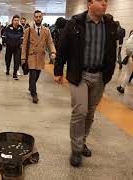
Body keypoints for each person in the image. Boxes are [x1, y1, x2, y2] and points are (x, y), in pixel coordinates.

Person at [54, 0, 117, 167]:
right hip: (79, 75)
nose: (105, 4)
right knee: (80, 112)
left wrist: (109, 73)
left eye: (106, 1)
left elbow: (112, 49)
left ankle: (82, 142)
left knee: (90, 113)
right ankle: (76, 149)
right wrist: (58, 71)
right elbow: (63, 47)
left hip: (100, 76)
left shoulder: (110, 25)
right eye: (101, 1)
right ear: (90, 3)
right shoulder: (75, 23)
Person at [21, 10, 56, 103]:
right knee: (32, 74)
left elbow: (50, 42)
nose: (38, 18)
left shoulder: (46, 30)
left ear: (42, 18)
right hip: (31, 56)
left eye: (39, 16)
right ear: (33, 18)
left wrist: (53, 52)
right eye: (36, 17)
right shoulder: (28, 30)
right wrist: (23, 58)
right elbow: (24, 45)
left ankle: (31, 87)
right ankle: (34, 94)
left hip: (41, 56)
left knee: (37, 74)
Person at [4, 15, 24, 80]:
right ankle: (7, 69)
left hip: (17, 47)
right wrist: (6, 41)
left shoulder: (20, 28)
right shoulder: (8, 27)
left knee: (17, 60)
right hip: (9, 47)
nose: (16, 21)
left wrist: (20, 42)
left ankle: (15, 74)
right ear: (12, 21)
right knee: (7, 59)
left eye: (18, 20)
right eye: (15, 20)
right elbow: (6, 35)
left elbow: (22, 37)